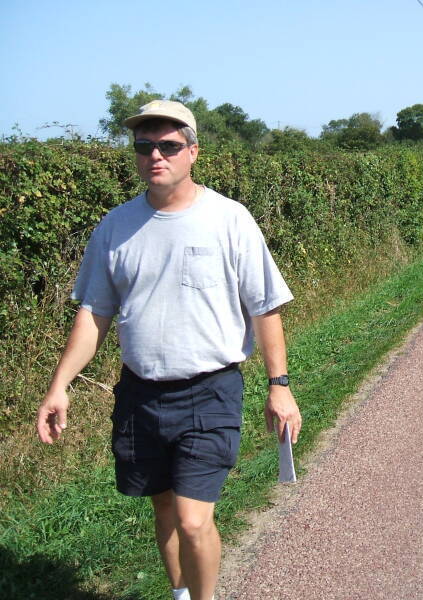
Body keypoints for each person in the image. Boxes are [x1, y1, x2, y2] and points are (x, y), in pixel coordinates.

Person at [35, 100, 301, 600]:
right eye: (144, 146)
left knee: (193, 519)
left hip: (210, 390)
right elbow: (93, 316)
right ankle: (180, 594)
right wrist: (59, 387)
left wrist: (279, 386)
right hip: (140, 395)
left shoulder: (229, 219)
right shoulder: (114, 228)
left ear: (193, 151)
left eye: (169, 146)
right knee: (163, 509)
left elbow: (264, 308)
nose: (156, 155)